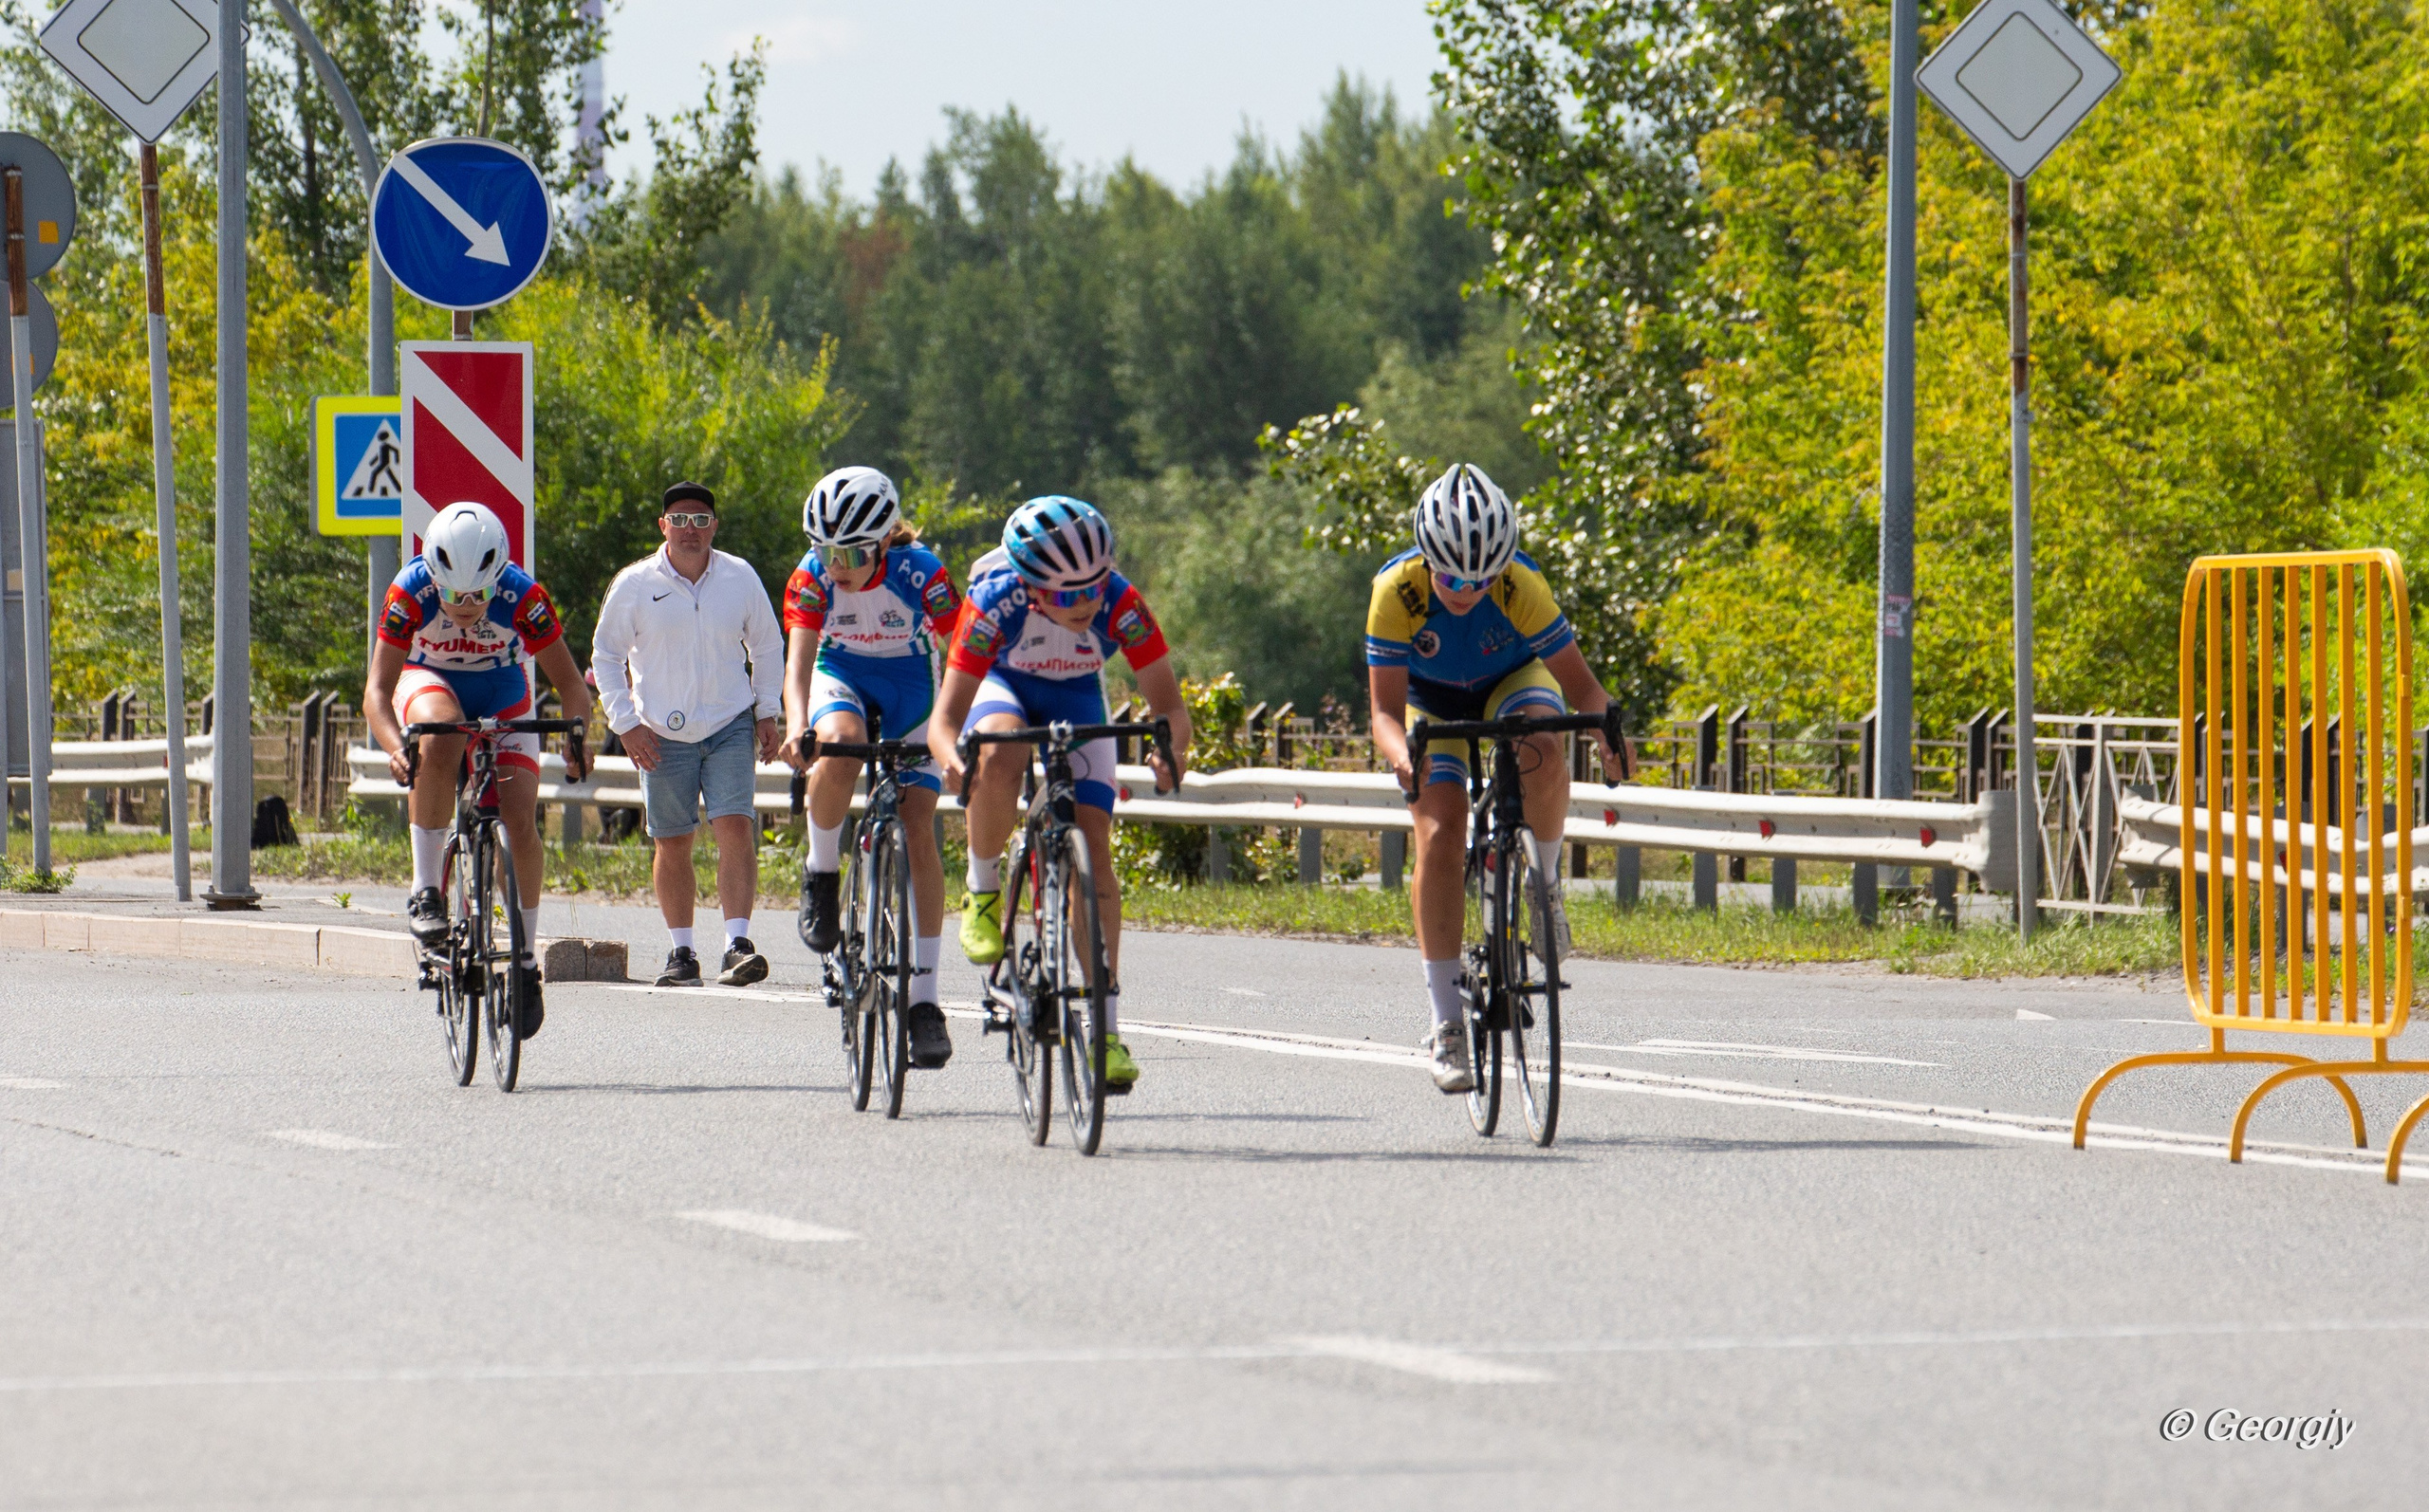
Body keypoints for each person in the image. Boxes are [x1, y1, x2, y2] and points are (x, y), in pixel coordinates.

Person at [1365, 463, 1623, 1094]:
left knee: (1544, 744)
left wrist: (1607, 732)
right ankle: (1446, 1023)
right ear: (1428, 561)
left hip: (1511, 682)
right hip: (1430, 701)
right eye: (1452, 578)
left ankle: (1543, 885)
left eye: (1481, 580)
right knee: (1441, 830)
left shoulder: (1519, 585)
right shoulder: (1395, 592)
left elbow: (1584, 689)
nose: (1467, 591)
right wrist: (1402, 756)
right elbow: (1383, 713)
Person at [929, 496, 1191, 1092]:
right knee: (1001, 750)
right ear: (1029, 588)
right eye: (1067, 595)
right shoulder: (993, 603)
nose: (1085, 604)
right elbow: (945, 720)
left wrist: (1172, 751)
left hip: (1077, 695)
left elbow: (1171, 709)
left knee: (1094, 853)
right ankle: (983, 889)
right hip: (1004, 686)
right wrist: (954, 762)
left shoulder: (1120, 601)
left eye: (1094, 588)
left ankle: (1106, 1032)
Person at [365, 501, 593, 1037]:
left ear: (499, 578)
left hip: (501, 687)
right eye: (453, 595)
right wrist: (396, 747)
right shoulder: (409, 592)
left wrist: (577, 738)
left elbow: (570, 686)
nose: (466, 607)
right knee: (441, 735)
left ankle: (526, 962)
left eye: (478, 595)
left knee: (519, 820)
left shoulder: (524, 597)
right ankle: (427, 890)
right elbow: (376, 690)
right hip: (429, 681)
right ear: (433, 578)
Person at [782, 466, 961, 1067]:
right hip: (843, 674)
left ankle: (925, 1003)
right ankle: (821, 873)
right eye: (825, 550)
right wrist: (796, 726)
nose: (837, 565)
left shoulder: (921, 572)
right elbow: (798, 667)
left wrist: (959, 730)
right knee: (840, 742)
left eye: (852, 553)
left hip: (912, 684)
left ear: (884, 541)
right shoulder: (812, 577)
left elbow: (964, 654)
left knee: (917, 826)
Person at [590, 482, 786, 987]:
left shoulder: (739, 576)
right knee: (673, 841)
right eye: (679, 520)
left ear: (714, 526)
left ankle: (737, 945)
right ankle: (682, 953)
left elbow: (767, 646)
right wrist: (625, 724)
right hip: (659, 731)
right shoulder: (635, 583)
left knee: (735, 826)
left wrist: (768, 711)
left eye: (700, 521)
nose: (690, 530)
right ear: (663, 526)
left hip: (729, 722)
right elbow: (606, 656)